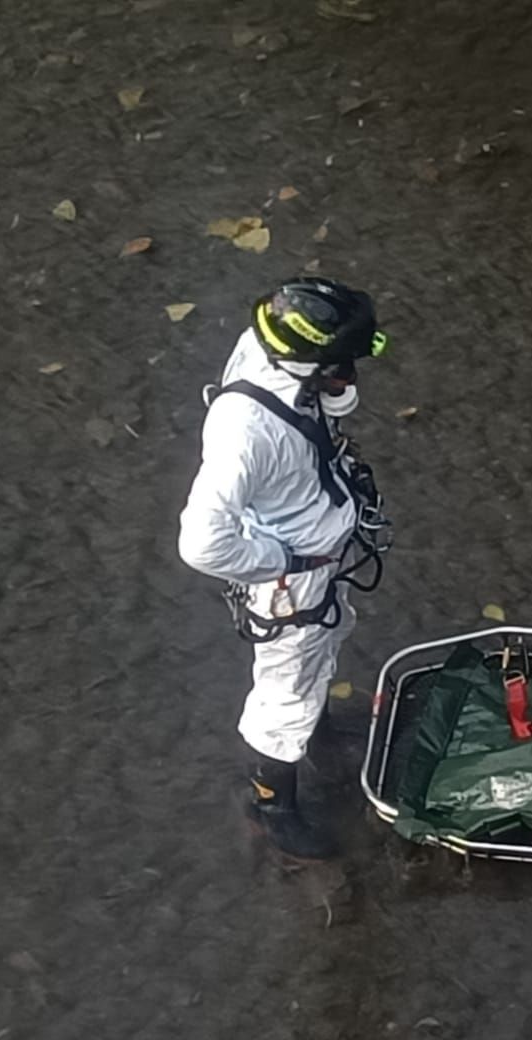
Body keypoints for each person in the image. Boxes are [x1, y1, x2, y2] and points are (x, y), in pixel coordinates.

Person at [178, 277, 391, 860]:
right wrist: (281, 563)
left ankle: (318, 730)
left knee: (327, 639)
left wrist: (338, 381)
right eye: (344, 357)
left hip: (319, 554)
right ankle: (273, 806)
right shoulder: (244, 435)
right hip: (289, 576)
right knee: (283, 694)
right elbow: (200, 543)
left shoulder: (273, 348)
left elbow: (335, 406)